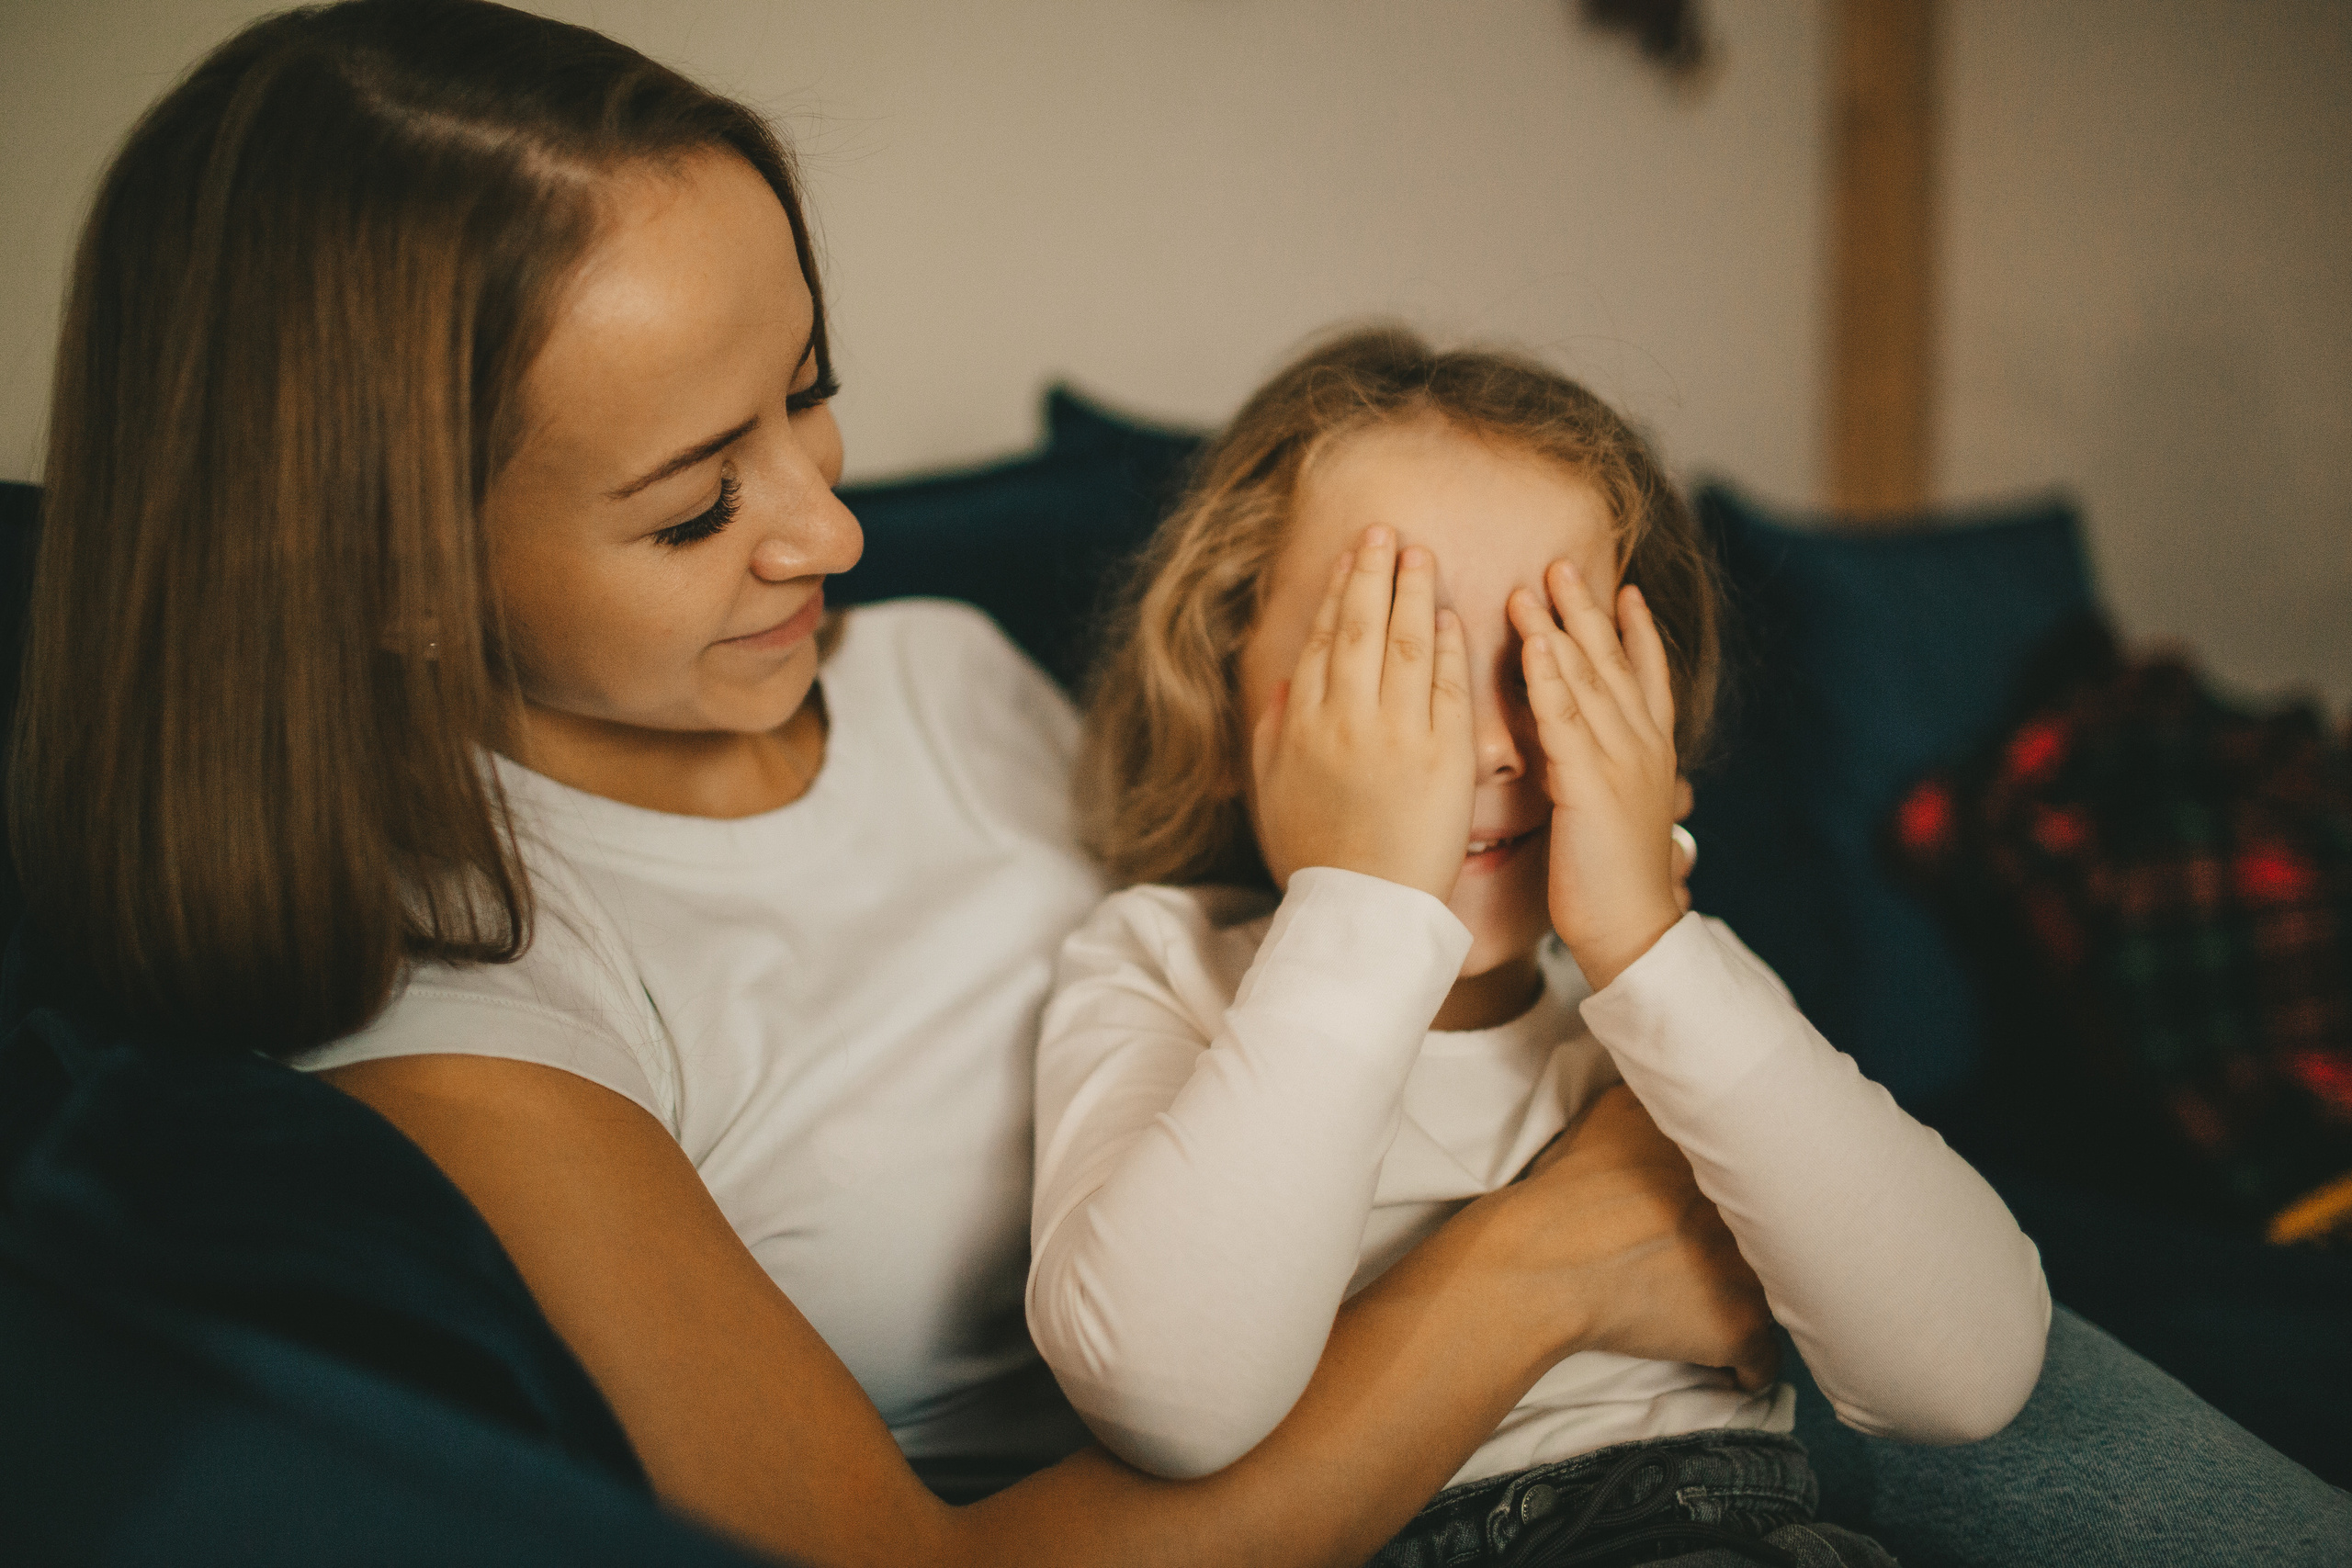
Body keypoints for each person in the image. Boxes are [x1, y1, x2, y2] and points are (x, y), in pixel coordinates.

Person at [8, 2, 2345, 1565]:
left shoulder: (925, 665)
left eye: (813, 393)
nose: (825, 524)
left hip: (1710, 1325)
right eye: (694, 495)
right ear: (392, 572)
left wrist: (1633, 961)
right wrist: (1544, 1264)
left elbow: (1314, 910)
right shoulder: (479, 1012)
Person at [1031, 330, 2048, 1564]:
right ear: (1223, 681)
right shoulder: (1159, 967)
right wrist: (1362, 908)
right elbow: (1165, 1400)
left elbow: (1969, 1374)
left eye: (1552, 666)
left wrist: (1647, 943)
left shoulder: (1676, 1006)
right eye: (1404, 660)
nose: (1494, 744)